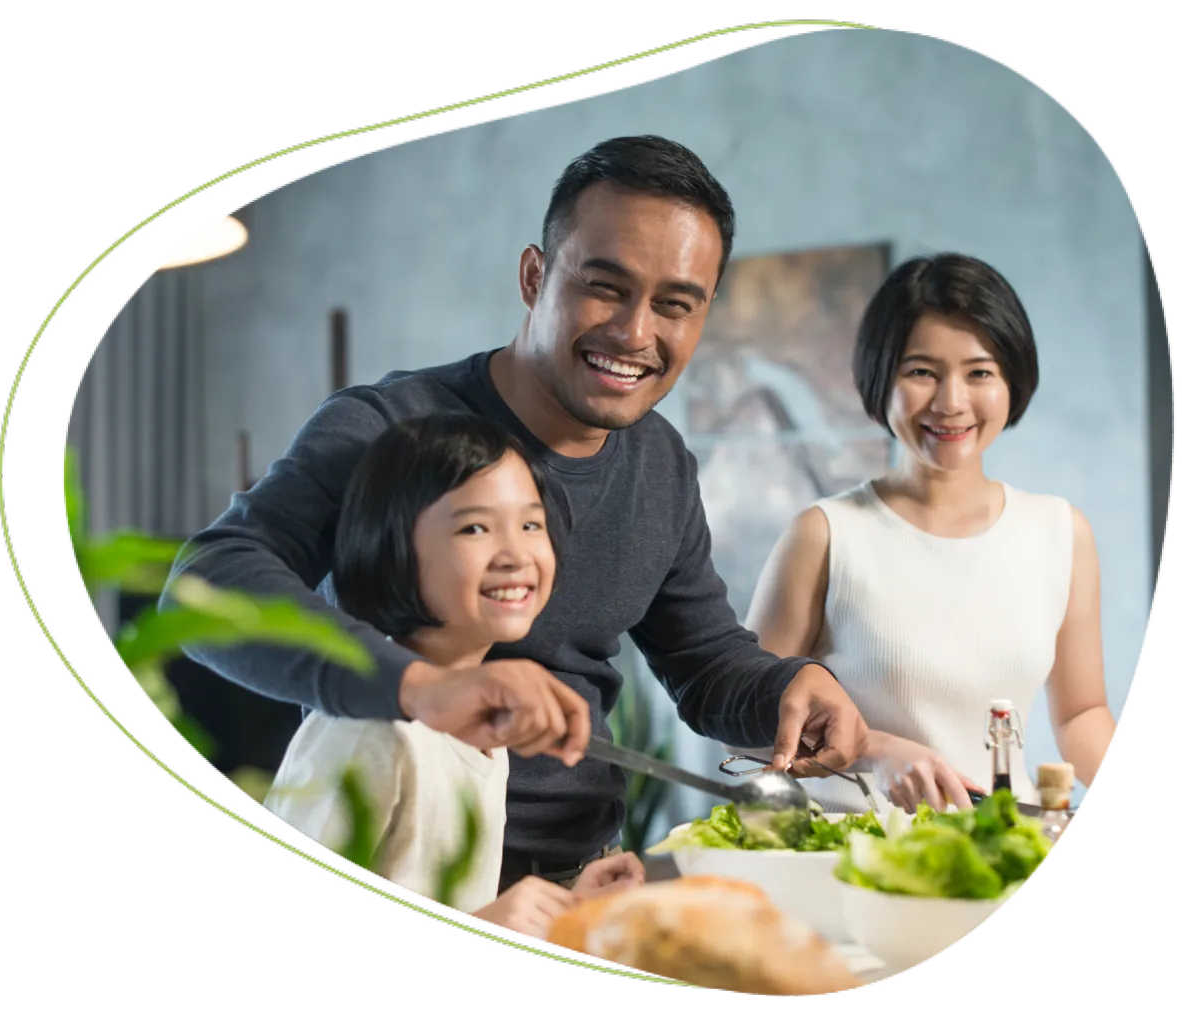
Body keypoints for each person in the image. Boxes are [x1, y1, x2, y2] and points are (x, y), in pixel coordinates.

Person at [161, 135, 869, 891]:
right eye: (605, 287)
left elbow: (703, 663)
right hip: (418, 872)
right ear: (535, 276)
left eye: (674, 305)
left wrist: (787, 688)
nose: (635, 333)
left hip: (583, 882)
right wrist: (422, 688)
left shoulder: (660, 461)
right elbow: (207, 588)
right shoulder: (391, 429)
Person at [737, 253, 1119, 814]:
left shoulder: (1061, 532)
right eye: (921, 372)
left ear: (1012, 380)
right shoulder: (824, 535)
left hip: (1000, 844)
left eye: (979, 372)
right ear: (880, 379)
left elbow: (1081, 715)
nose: (951, 403)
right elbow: (744, 722)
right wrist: (871, 751)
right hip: (853, 851)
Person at [263, 412, 644, 942]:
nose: (515, 554)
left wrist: (564, 914)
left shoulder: (483, 724)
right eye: (475, 528)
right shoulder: (367, 729)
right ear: (393, 548)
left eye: (530, 524)